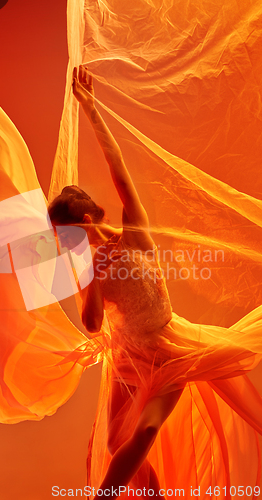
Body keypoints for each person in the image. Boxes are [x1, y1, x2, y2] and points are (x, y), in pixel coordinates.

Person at [47, 66, 262, 499]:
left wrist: (90, 108)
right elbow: (92, 325)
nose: (60, 243)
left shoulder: (135, 236)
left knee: (144, 432)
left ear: (85, 221)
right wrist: (90, 274)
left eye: (63, 233)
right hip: (128, 359)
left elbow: (120, 172)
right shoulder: (89, 267)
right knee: (113, 444)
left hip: (168, 350)